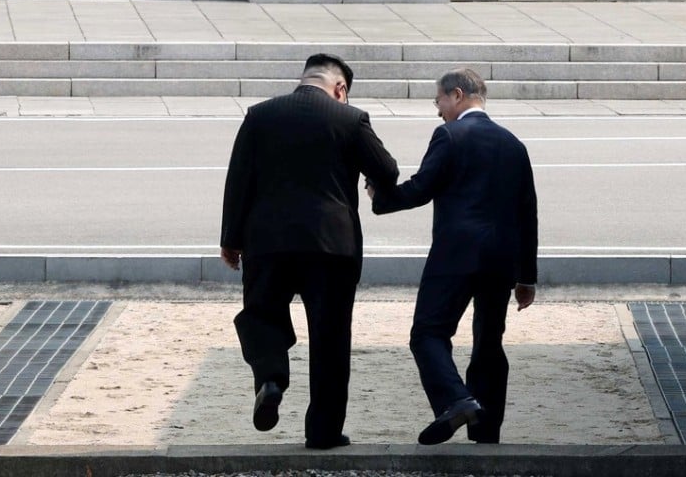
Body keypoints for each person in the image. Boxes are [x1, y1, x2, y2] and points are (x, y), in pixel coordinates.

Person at [220, 52, 399, 450]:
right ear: (340, 88)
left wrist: (230, 239)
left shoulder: (259, 115)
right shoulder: (350, 119)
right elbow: (387, 170)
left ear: (304, 79)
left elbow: (238, 180)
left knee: (261, 315)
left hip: (267, 243)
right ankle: (323, 432)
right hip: (331, 246)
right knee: (331, 339)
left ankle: (270, 377)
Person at [368, 68, 538, 445]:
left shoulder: (449, 134)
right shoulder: (514, 143)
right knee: (489, 341)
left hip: (455, 253)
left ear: (457, 95)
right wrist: (526, 276)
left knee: (428, 332)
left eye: (439, 101)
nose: (438, 110)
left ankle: (455, 399)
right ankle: (485, 428)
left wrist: (381, 197)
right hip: (501, 260)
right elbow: (528, 211)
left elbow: (422, 187)